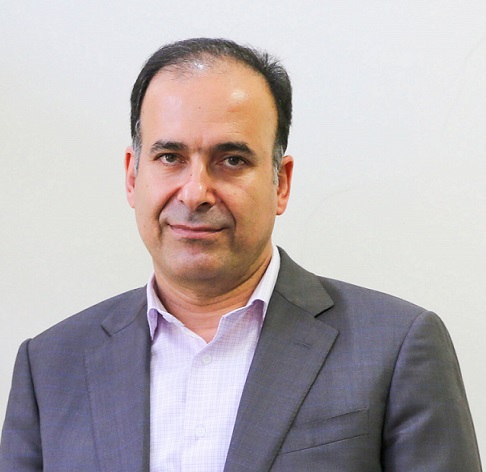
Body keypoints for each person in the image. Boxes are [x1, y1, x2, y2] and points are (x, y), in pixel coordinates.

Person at [0, 38, 482, 472]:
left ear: (281, 183)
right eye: (170, 158)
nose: (195, 193)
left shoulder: (396, 347)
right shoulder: (50, 366)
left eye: (232, 160)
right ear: (132, 176)